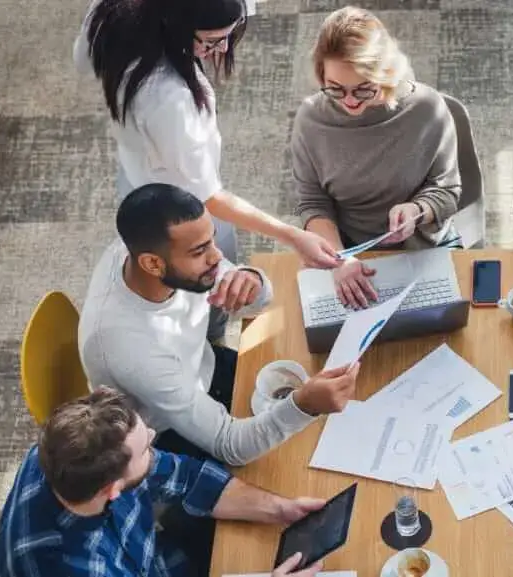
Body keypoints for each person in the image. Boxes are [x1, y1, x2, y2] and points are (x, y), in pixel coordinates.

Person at [73, 0, 341, 339]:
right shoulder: (170, 101)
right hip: (174, 204)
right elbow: (209, 196)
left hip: (136, 168)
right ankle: (209, 338)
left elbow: (82, 60)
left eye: (231, 33)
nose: (224, 48)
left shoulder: (112, 14)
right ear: (174, 23)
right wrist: (294, 236)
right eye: (211, 41)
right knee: (202, 282)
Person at [79, 183, 359, 467]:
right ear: (152, 264)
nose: (216, 257)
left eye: (212, 240)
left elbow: (258, 300)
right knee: (296, 461)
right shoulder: (128, 346)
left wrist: (252, 280)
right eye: (200, 250)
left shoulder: (148, 253)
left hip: (204, 367)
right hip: (164, 431)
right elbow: (231, 445)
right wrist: (305, 405)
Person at [0, 388, 323, 577]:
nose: (153, 435)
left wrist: (280, 508)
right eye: (145, 448)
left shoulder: (65, 452)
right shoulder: (72, 566)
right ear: (111, 490)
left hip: (155, 561)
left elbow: (189, 478)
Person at [292, 6, 463, 309]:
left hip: (422, 246)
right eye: (335, 89)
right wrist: (339, 258)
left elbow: (447, 191)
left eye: (363, 90)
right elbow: (312, 202)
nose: (349, 102)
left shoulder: (427, 110)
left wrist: (417, 210)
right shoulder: (311, 120)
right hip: (346, 250)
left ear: (386, 75)